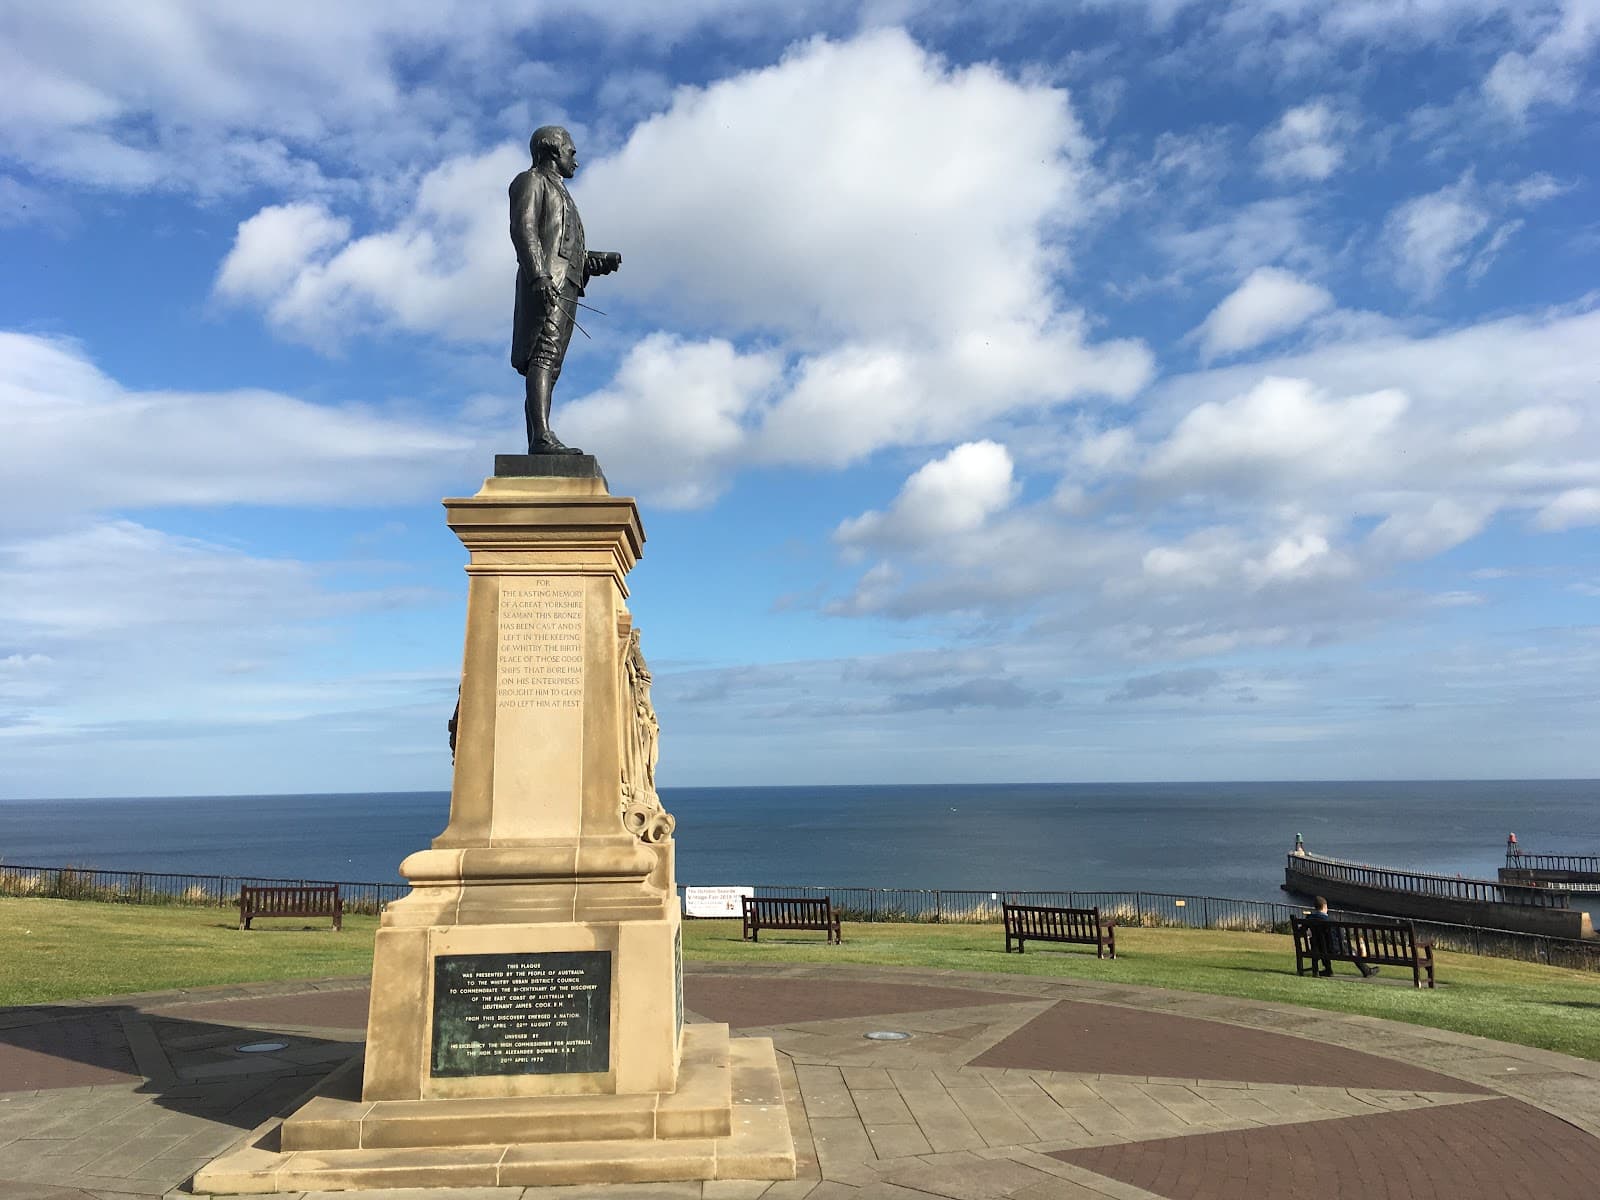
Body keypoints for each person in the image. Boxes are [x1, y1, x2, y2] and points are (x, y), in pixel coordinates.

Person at [508, 125, 621, 454]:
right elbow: (523, 229)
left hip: (566, 285)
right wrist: (538, 275)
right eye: (572, 152)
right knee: (542, 357)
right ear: (553, 151)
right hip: (547, 284)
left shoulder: (561, 191)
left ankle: (539, 436)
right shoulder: (531, 181)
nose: (576, 160)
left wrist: (591, 261)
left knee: (551, 364)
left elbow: (561, 244)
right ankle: (541, 437)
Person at [1305, 896, 1375, 977]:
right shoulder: (1331, 921)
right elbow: (1341, 936)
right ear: (1325, 906)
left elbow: (1302, 930)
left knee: (1323, 944)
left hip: (1317, 948)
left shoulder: (1309, 918)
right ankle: (1366, 971)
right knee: (1351, 950)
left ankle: (1328, 970)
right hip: (1333, 949)